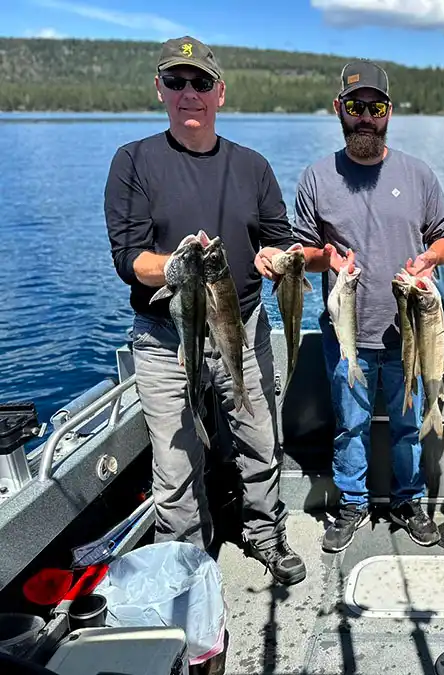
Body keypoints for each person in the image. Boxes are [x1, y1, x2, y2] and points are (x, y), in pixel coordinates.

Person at [104, 36, 306, 586]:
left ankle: (264, 530)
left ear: (220, 92)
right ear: (160, 90)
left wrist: (274, 256)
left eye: (200, 83)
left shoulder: (253, 166)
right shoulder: (134, 162)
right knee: (174, 466)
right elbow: (129, 259)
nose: (188, 93)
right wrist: (177, 266)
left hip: (243, 326)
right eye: (176, 82)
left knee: (260, 437)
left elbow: (280, 240)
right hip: (165, 336)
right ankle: (188, 563)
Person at [293, 59, 444, 554]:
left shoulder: (419, 174)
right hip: (347, 337)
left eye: (376, 107)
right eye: (355, 106)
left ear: (389, 113)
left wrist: (430, 259)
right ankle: (352, 504)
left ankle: (409, 501)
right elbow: (301, 253)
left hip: (409, 334)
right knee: (349, 427)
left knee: (407, 428)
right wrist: (326, 257)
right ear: (338, 109)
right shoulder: (317, 178)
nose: (366, 116)